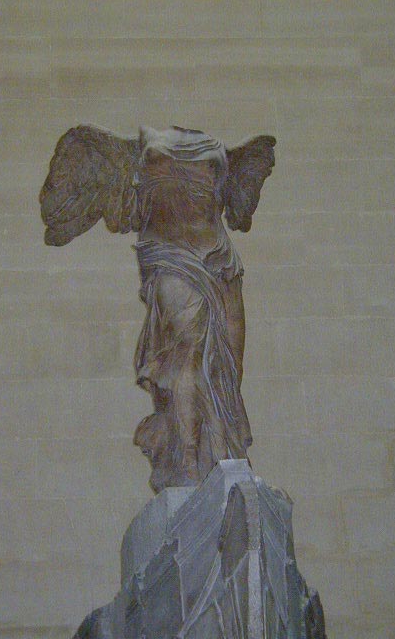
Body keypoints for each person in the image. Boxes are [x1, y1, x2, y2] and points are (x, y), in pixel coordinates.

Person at [40, 124, 275, 492]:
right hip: (173, 263)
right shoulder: (143, 152)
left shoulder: (217, 152)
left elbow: (235, 204)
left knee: (229, 367)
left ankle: (223, 449)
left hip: (221, 263)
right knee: (187, 357)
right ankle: (188, 459)